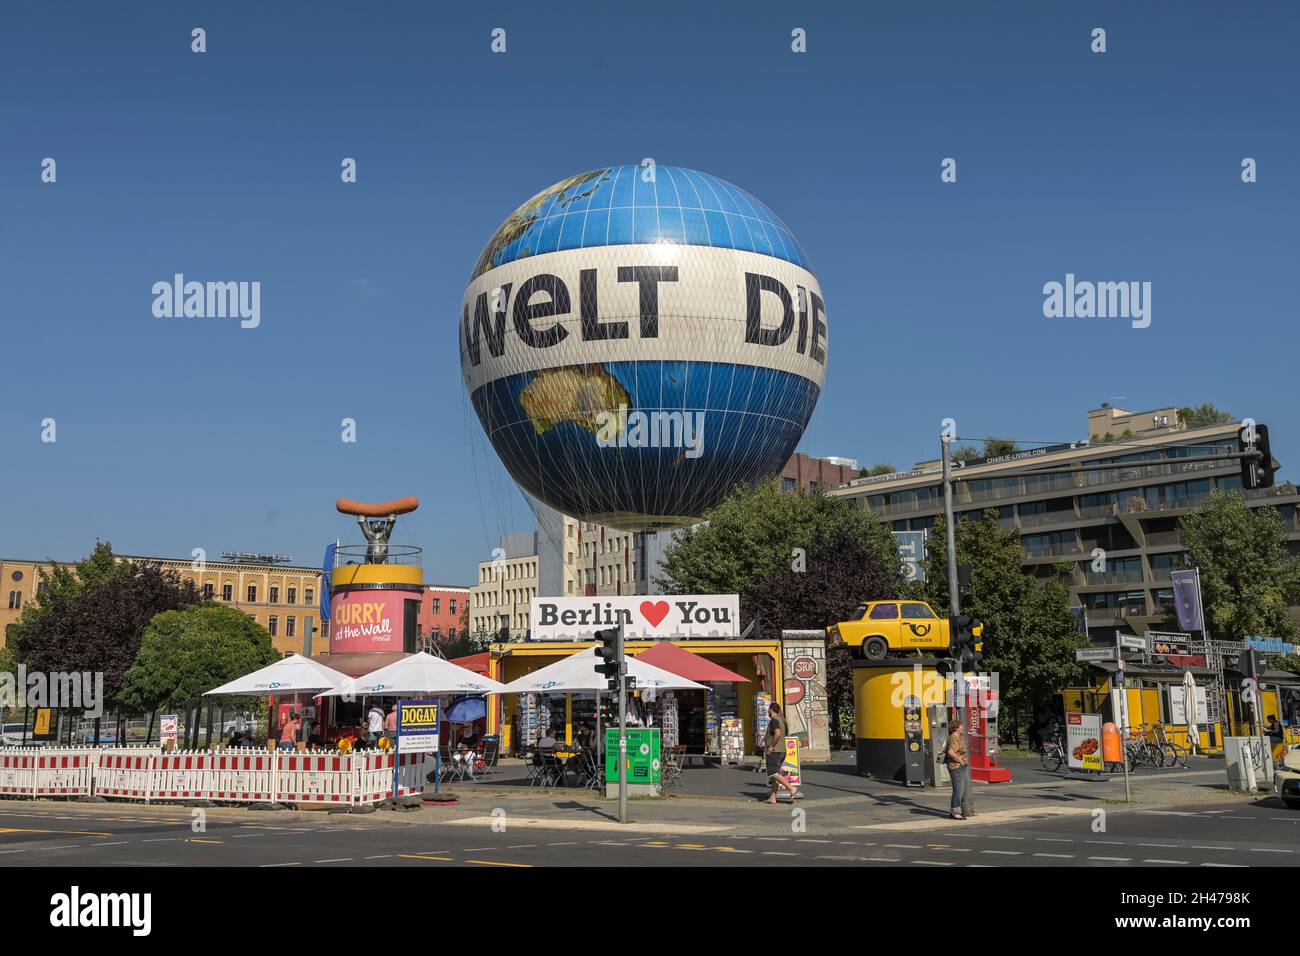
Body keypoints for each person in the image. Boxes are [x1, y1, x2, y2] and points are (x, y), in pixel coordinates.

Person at [764, 703, 799, 804]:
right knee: (776, 774)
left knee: (773, 773)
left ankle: (791, 788)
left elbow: (777, 733)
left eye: (768, 710)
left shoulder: (774, 720)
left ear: (771, 710)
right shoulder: (782, 720)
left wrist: (771, 746)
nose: (768, 712)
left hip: (775, 751)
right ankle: (773, 797)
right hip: (782, 750)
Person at [945, 718, 969, 820]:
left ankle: (956, 810)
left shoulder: (957, 737)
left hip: (959, 766)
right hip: (956, 766)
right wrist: (961, 761)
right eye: (961, 726)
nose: (962, 727)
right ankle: (955, 812)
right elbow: (950, 752)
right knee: (958, 789)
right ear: (956, 727)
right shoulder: (954, 738)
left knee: (960, 789)